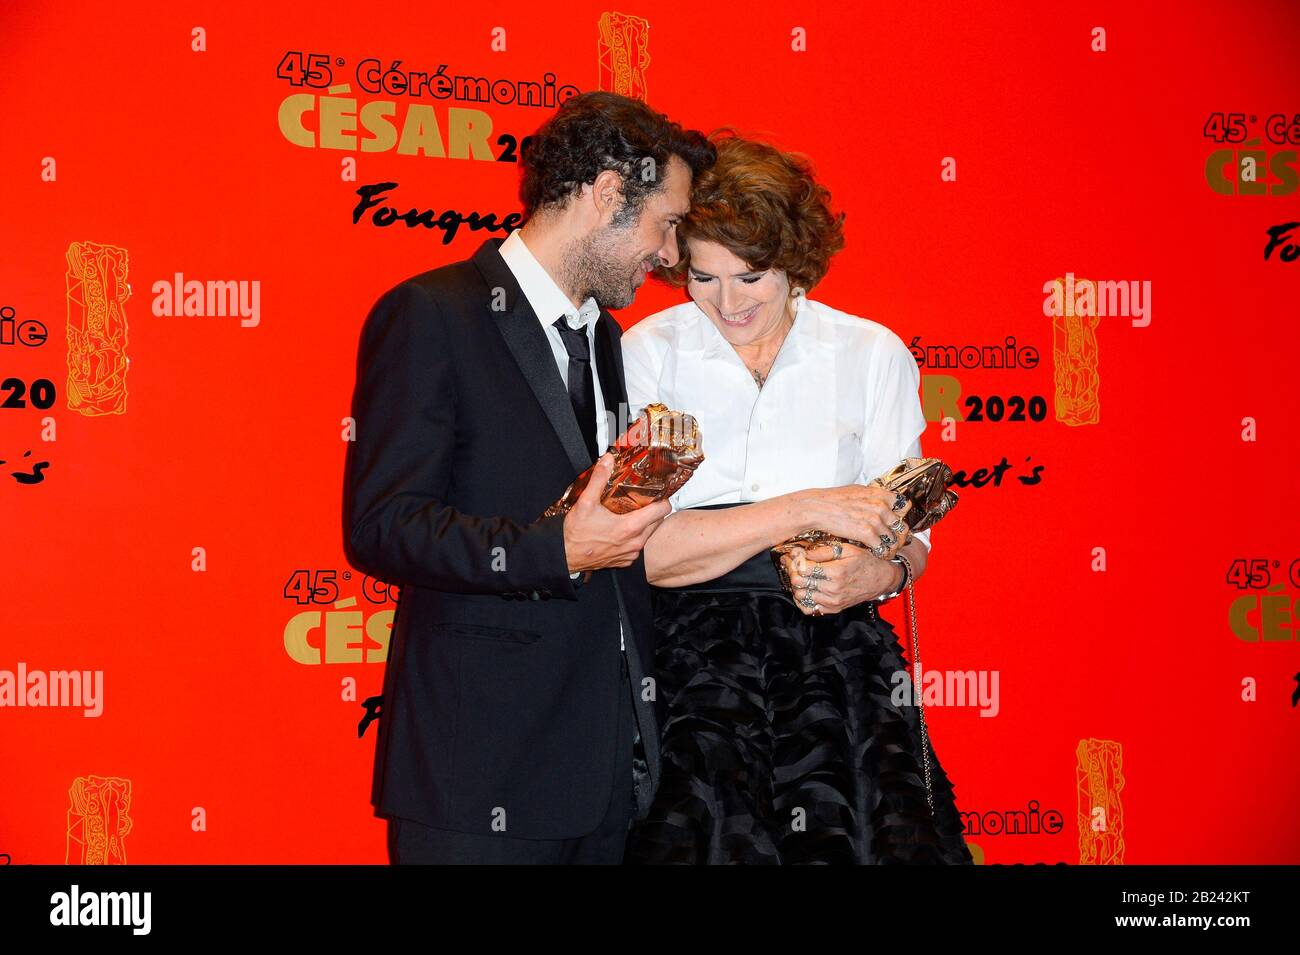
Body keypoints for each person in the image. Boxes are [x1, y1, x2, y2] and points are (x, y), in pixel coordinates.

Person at [343, 91, 716, 864]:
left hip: (606, 775)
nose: (670, 255)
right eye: (667, 222)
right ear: (609, 194)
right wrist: (560, 548)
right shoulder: (432, 314)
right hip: (479, 775)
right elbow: (383, 524)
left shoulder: (606, 340)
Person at [619, 131, 973, 864]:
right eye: (703, 276)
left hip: (836, 666)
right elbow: (643, 552)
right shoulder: (647, 352)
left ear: (794, 261)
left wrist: (880, 572)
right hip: (687, 665)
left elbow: (908, 536)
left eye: (750, 277)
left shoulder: (870, 354)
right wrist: (806, 507)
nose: (727, 301)